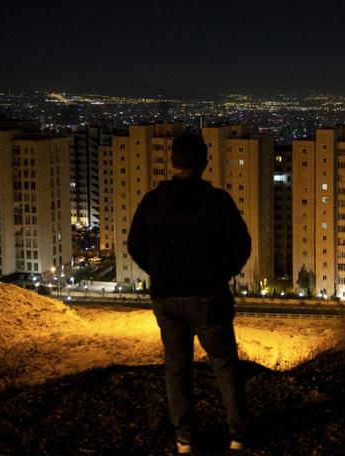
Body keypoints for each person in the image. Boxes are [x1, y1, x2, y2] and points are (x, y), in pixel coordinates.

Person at [128, 131, 251, 454]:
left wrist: (160, 271)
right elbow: (241, 245)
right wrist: (219, 274)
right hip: (207, 296)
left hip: (166, 296)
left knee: (177, 366)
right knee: (224, 364)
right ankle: (238, 435)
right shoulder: (218, 202)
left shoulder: (153, 202)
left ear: (172, 161)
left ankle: (185, 439)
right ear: (204, 163)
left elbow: (135, 245)